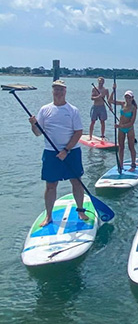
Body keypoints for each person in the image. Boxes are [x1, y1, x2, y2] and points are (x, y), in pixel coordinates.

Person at [28, 80, 89, 227]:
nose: (58, 92)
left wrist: (66, 150)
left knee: (76, 181)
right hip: (51, 153)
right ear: (52, 91)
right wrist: (33, 124)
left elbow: (78, 132)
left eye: (61, 90)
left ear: (65, 91)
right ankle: (49, 216)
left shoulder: (72, 110)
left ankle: (80, 210)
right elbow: (37, 133)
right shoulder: (45, 109)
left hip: (71, 152)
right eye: (56, 89)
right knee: (50, 185)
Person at [109, 87, 137, 171]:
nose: (127, 99)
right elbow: (110, 100)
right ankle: (121, 165)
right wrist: (113, 90)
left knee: (131, 147)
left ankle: (133, 165)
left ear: (132, 98)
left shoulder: (134, 108)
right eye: (126, 97)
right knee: (121, 147)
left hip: (129, 129)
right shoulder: (122, 104)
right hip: (121, 129)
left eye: (129, 97)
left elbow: (131, 122)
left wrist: (120, 126)